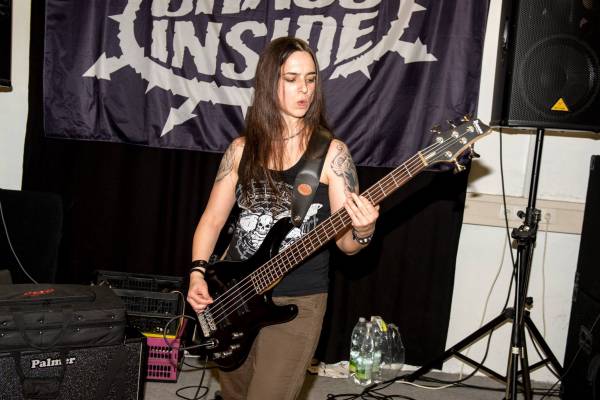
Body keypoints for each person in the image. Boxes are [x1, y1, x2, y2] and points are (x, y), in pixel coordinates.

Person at [187, 37, 379, 400]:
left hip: (298, 299)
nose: (304, 89)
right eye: (291, 79)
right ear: (268, 83)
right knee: (235, 395)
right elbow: (212, 220)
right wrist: (198, 272)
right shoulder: (241, 150)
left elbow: (346, 244)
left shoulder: (332, 154)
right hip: (232, 292)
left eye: (310, 79)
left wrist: (363, 230)